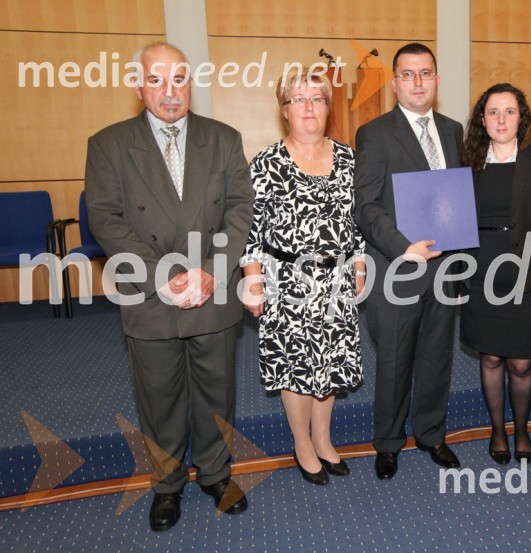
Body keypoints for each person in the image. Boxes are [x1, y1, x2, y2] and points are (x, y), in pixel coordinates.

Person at [85, 42, 253, 531]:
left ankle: (217, 475)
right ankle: (167, 484)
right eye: (156, 80)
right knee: (158, 397)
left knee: (216, 391)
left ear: (190, 83)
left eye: (179, 78)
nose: (169, 91)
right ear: (138, 87)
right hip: (151, 292)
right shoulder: (108, 144)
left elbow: (241, 208)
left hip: (212, 288)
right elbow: (106, 220)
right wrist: (166, 275)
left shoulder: (223, 138)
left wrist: (210, 271)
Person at [242, 66, 365, 486]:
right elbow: (251, 231)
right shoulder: (266, 163)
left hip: (336, 282)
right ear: (285, 109)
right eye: (299, 99)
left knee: (328, 363)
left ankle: (325, 439)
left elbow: (357, 222)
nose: (309, 107)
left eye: (317, 98)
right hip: (286, 283)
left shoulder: (350, 158)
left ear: (329, 109)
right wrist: (254, 280)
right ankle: (302, 443)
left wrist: (360, 261)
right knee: (294, 367)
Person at [354, 42, 464, 480]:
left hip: (445, 269)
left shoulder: (455, 130)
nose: (418, 82)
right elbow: (365, 206)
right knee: (395, 361)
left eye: (426, 73)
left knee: (437, 358)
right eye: (408, 74)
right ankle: (388, 442)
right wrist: (403, 248)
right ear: (395, 81)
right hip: (396, 268)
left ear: (436, 79)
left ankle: (433, 434)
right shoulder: (375, 133)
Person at [459, 83, 531, 465]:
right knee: (490, 360)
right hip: (479, 274)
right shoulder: (468, 160)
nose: (501, 120)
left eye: (509, 112)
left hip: (527, 277)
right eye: (493, 112)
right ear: (482, 119)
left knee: (520, 362)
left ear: (522, 118)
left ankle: (521, 430)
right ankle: (498, 431)